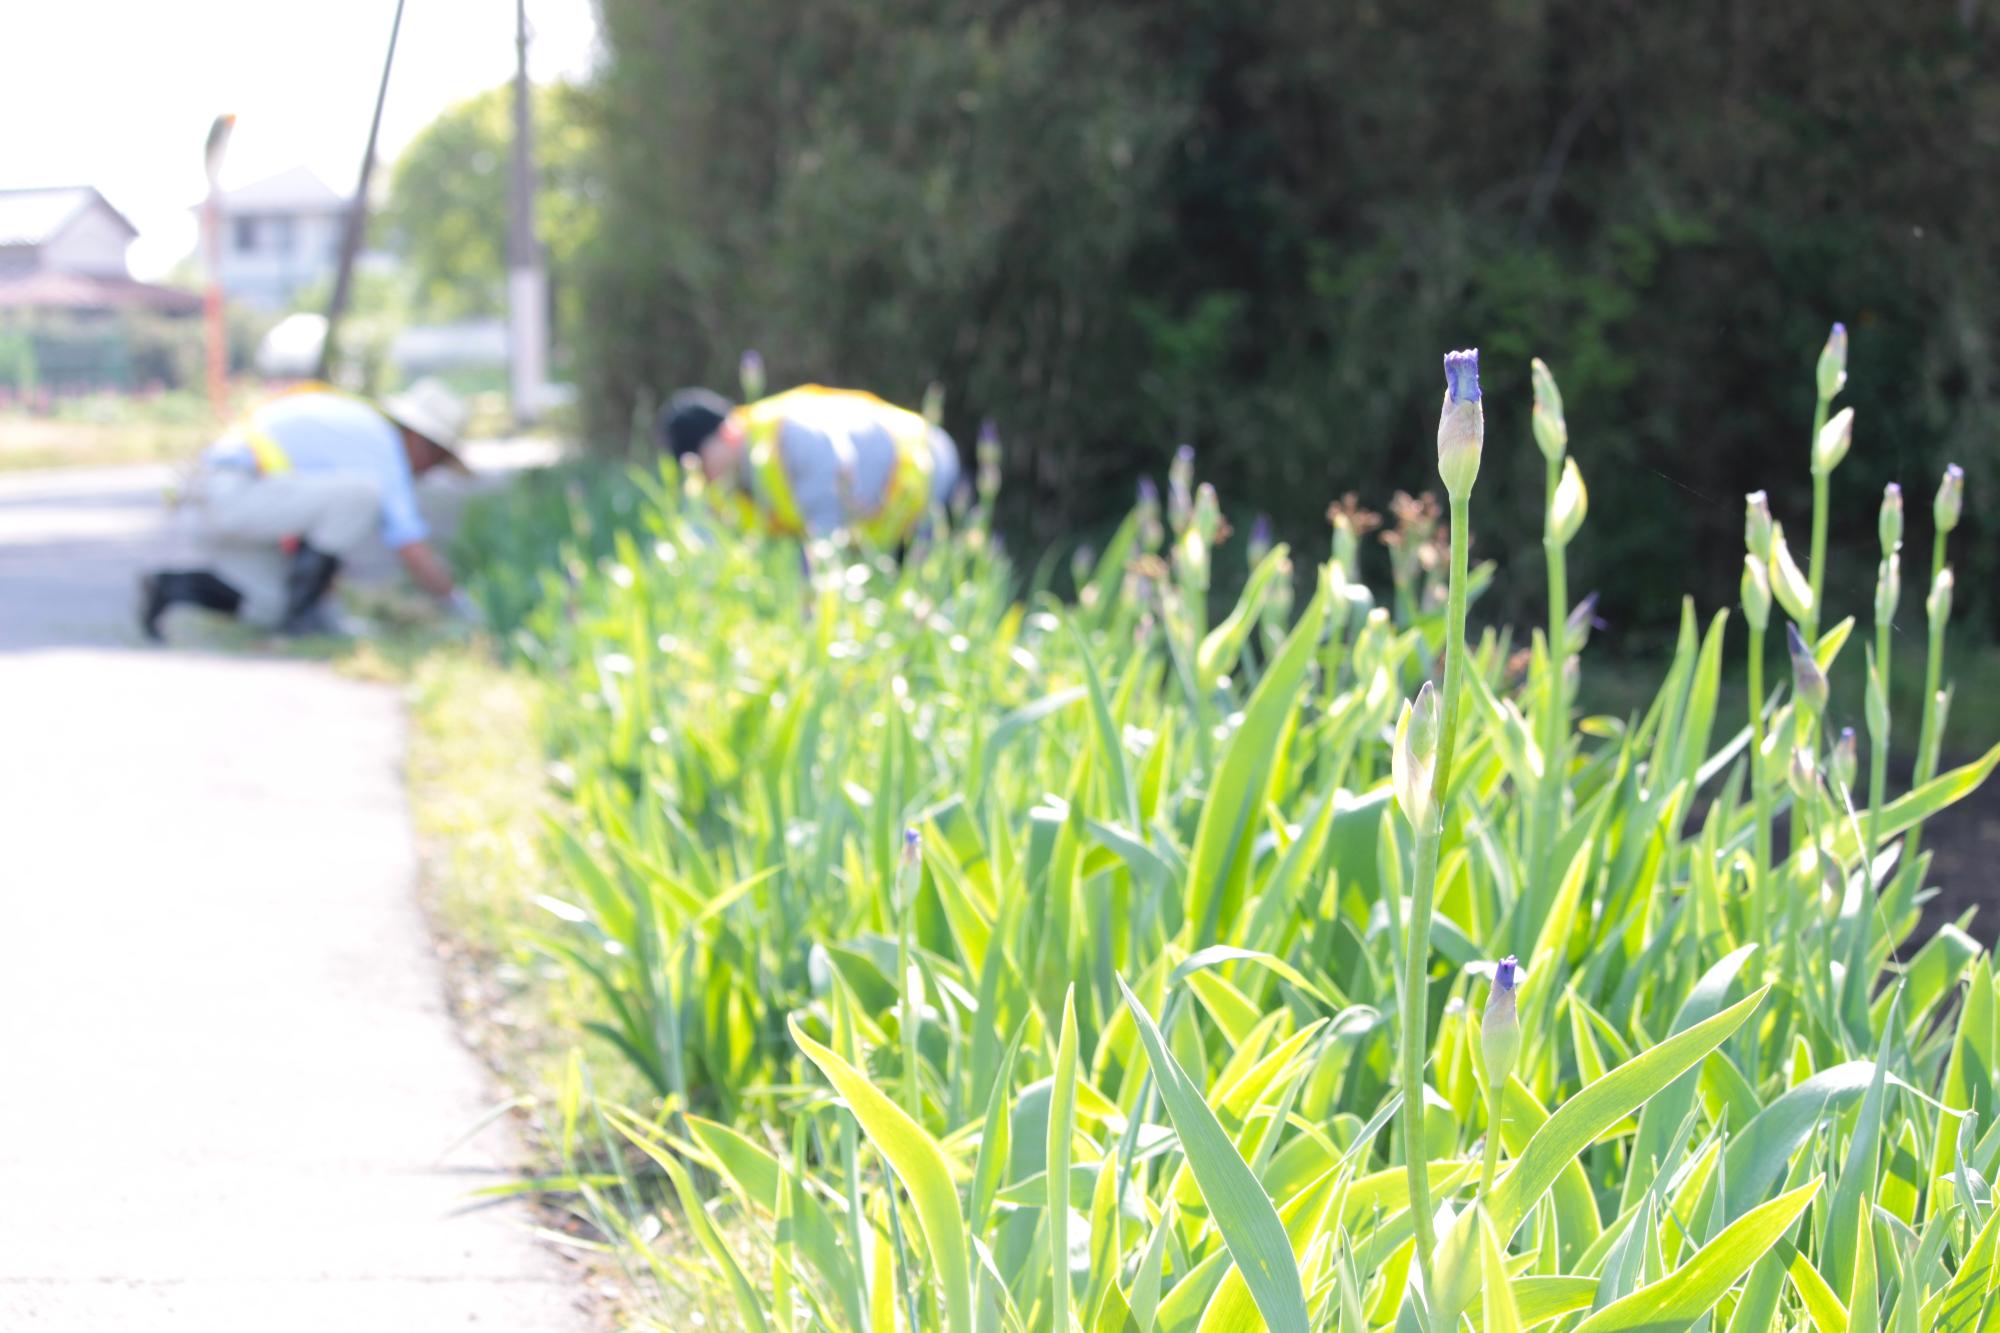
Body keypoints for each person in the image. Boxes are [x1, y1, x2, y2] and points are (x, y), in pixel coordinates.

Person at [139, 379, 479, 639]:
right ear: (423, 442)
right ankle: (302, 619)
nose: (429, 473)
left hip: (210, 500)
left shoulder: (357, 428)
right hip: (232, 494)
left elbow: (314, 522)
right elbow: (409, 545)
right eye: (437, 462)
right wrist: (458, 605)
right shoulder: (383, 444)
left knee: (271, 604)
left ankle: (171, 589)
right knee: (361, 496)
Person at [659, 384, 961, 545]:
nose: (700, 474)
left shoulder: (792, 436)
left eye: (699, 461)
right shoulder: (726, 485)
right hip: (879, 528)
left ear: (727, 433)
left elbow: (829, 537)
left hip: (929, 469)